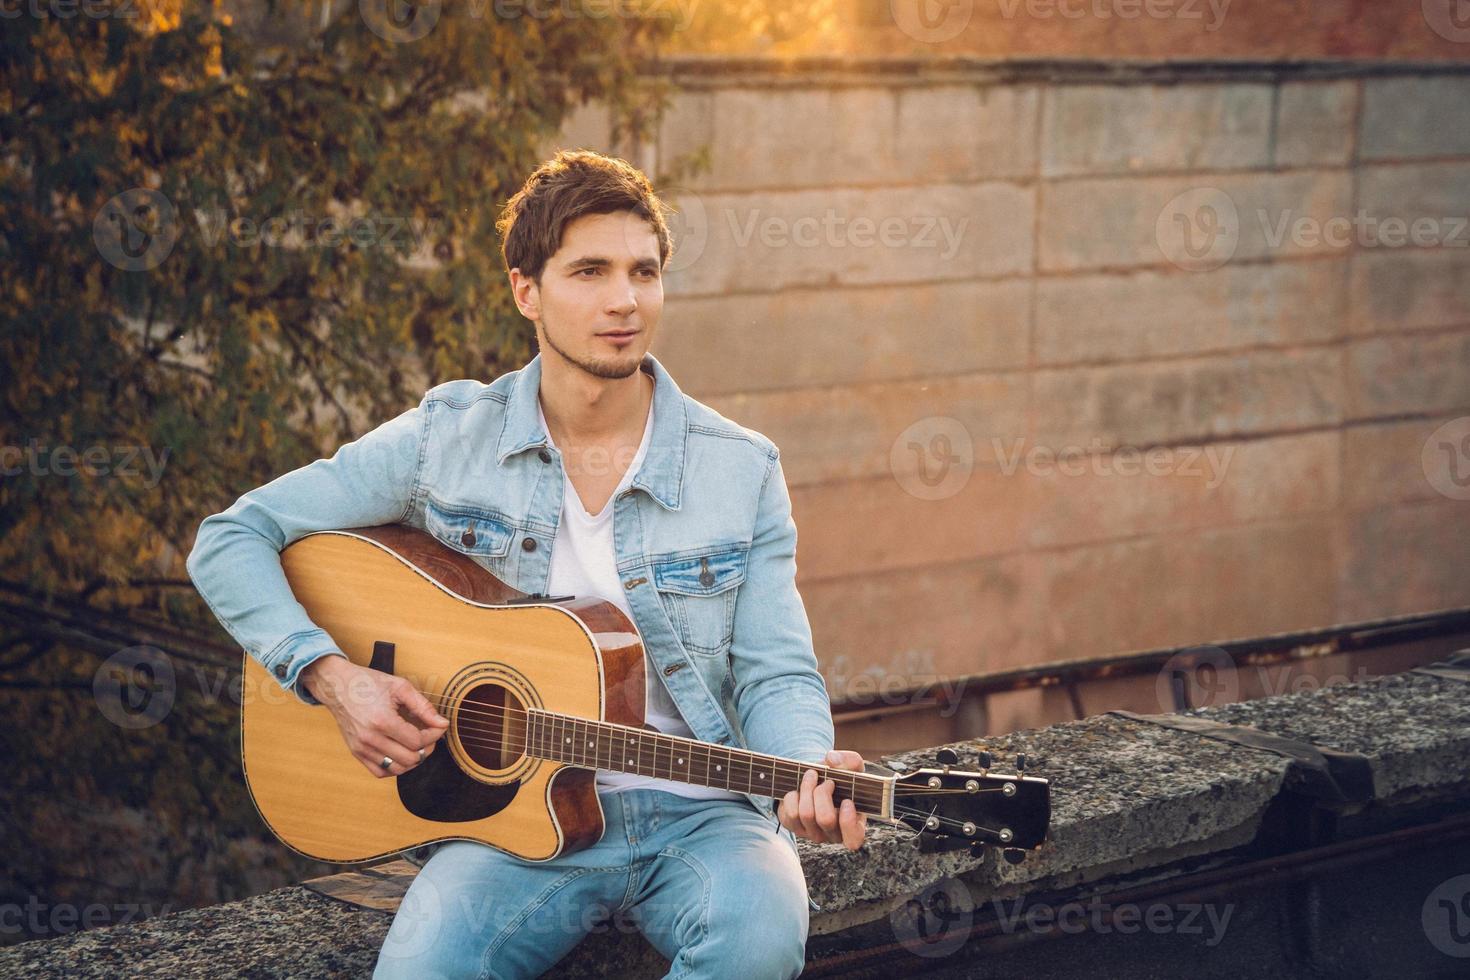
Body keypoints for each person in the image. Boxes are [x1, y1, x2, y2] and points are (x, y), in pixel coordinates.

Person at [185, 149, 868, 978]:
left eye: (643, 271)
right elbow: (231, 538)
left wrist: (804, 769)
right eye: (589, 271)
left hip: (707, 818)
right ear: (526, 292)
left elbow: (776, 673)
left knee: (759, 939)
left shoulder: (740, 468)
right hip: (509, 828)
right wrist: (335, 678)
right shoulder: (447, 440)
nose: (624, 299)